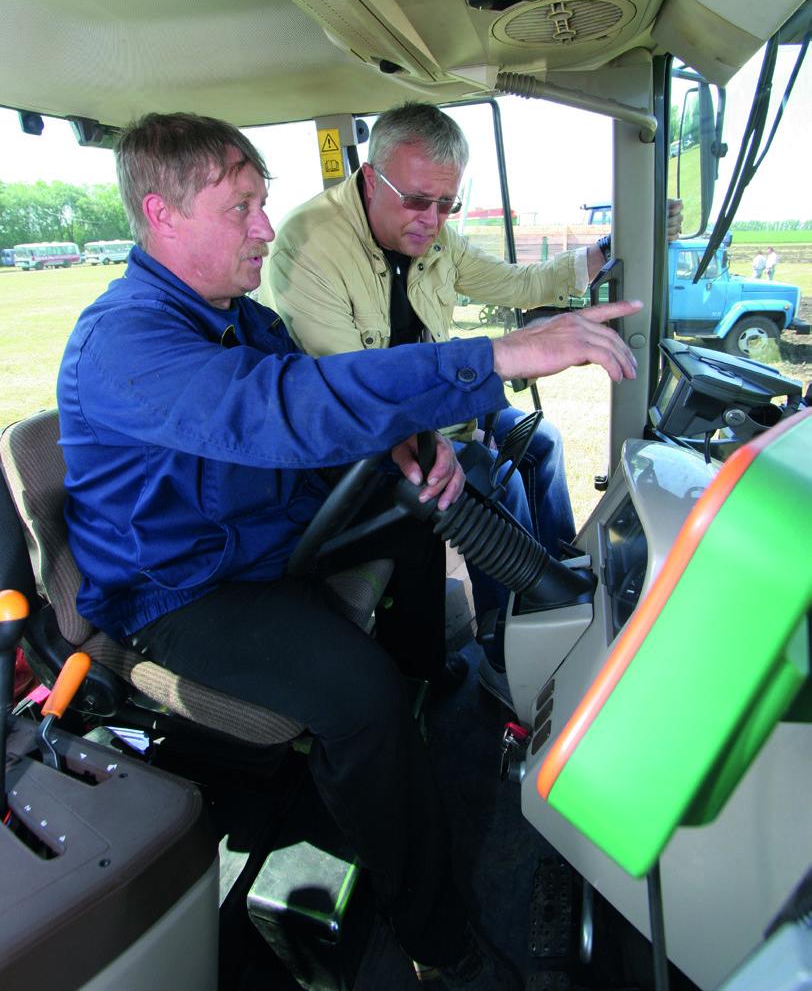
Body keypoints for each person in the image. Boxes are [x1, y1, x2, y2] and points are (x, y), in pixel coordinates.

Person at [58, 112, 640, 991]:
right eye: (242, 207)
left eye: (264, 202)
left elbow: (320, 411)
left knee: (435, 503)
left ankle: (453, 692)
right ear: (163, 214)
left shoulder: (236, 320)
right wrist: (498, 352)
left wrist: (413, 441)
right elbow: (283, 407)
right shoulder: (127, 341)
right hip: (181, 592)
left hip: (265, 544)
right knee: (358, 696)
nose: (265, 226)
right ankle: (439, 943)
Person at [262, 102, 679, 704]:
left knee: (541, 442)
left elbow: (519, 284)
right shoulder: (310, 246)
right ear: (371, 178)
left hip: (436, 409)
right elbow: (348, 388)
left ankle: (562, 586)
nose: (433, 221)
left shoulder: (434, 231)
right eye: (417, 201)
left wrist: (609, 248)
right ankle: (505, 647)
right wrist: (447, 445)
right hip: (360, 439)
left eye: (447, 204)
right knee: (489, 480)